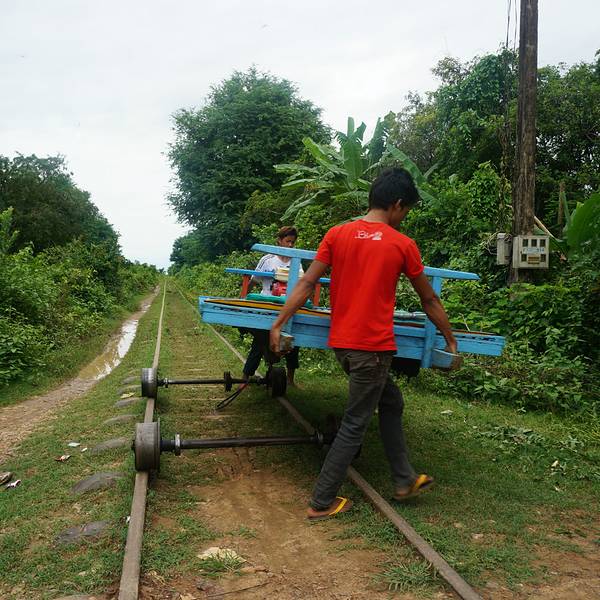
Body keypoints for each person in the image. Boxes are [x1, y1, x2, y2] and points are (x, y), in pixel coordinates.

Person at [269, 167, 457, 520]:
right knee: (355, 423)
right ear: (397, 204)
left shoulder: (337, 234)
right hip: (372, 350)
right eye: (406, 210)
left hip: (343, 346)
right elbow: (429, 299)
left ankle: (404, 479)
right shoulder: (402, 245)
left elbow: (307, 283)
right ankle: (321, 502)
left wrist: (278, 323)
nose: (404, 217)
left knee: (391, 400)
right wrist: (449, 338)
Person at [242, 226, 302, 386]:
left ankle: (290, 379)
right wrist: (243, 299)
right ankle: (245, 377)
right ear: (279, 241)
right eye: (288, 241)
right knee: (259, 341)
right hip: (267, 305)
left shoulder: (296, 261)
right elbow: (254, 281)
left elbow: (302, 283)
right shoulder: (267, 259)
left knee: (292, 341)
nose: (290, 245)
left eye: (293, 242)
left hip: (287, 307)